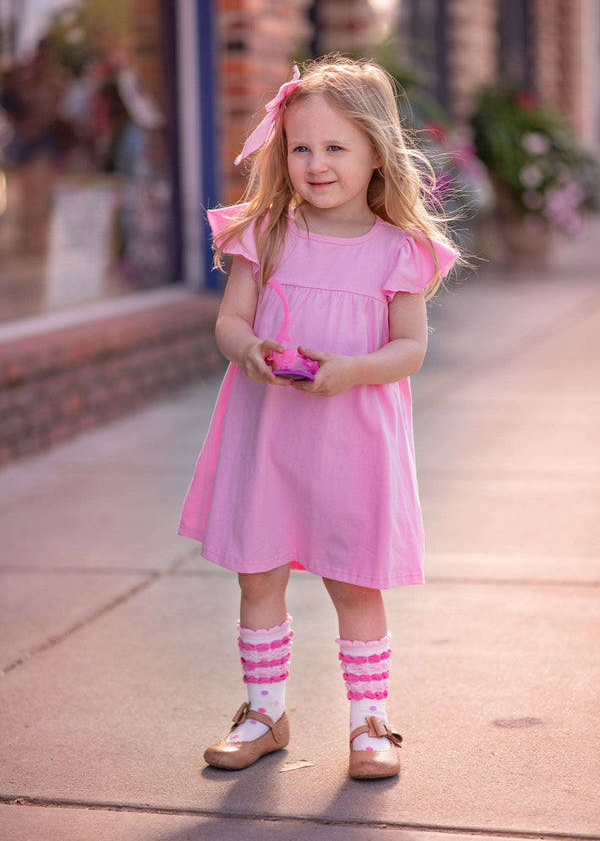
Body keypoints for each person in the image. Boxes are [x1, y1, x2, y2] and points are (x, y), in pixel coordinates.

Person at [178, 54, 461, 780]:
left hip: (352, 440)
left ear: (374, 154)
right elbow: (229, 322)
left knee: (353, 579)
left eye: (336, 147)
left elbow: (409, 351)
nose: (315, 163)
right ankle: (264, 711)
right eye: (300, 147)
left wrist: (348, 373)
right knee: (258, 572)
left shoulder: (402, 250)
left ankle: (370, 722)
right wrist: (251, 350)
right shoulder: (265, 234)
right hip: (268, 434)